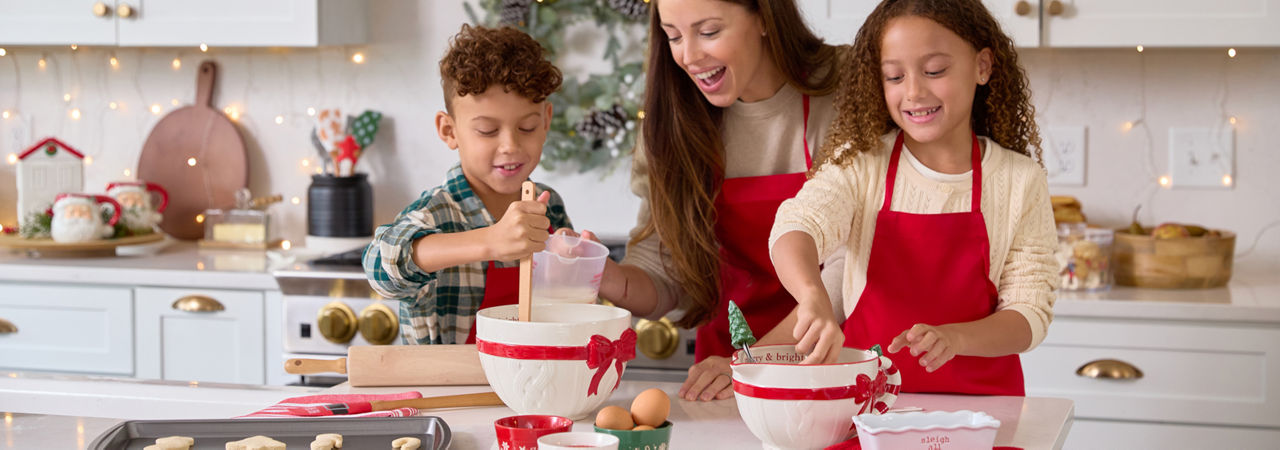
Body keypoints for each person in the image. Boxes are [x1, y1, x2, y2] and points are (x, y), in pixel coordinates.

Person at [768, 0, 1059, 396]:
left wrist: (956, 340)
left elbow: (1030, 313)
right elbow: (796, 226)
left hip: (982, 412)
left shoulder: (1019, 181)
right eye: (894, 77)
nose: (914, 92)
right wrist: (811, 296)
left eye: (934, 71)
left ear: (982, 66)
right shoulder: (861, 165)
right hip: (864, 406)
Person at [570, 0, 850, 402]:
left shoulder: (842, 88)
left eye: (709, 32)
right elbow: (668, 269)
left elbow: (855, 260)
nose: (689, 56)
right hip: (727, 376)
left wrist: (759, 360)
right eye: (674, 36)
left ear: (764, 18)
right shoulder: (674, 119)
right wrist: (607, 274)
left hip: (839, 360)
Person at [364, 24, 572, 345]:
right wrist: (490, 241)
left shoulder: (548, 205)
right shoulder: (434, 215)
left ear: (545, 121)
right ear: (449, 131)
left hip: (531, 389)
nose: (510, 145)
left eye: (527, 127)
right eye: (488, 131)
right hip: (449, 392)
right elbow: (379, 265)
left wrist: (575, 263)